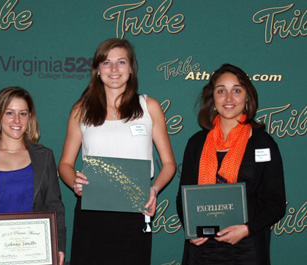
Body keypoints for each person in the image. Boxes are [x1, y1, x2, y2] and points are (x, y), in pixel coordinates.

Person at [58, 38, 176, 264]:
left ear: (131, 69)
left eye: (121, 62)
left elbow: (169, 164)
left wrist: (154, 190)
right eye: (106, 63)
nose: (114, 69)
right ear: (97, 70)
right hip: (91, 210)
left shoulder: (149, 106)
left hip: (135, 209)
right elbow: (64, 164)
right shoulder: (81, 109)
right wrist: (74, 182)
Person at [176, 63, 286, 265]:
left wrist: (246, 229)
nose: (228, 98)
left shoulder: (263, 143)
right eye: (221, 91)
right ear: (213, 99)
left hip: (247, 247)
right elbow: (183, 197)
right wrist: (190, 229)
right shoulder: (196, 143)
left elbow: (276, 203)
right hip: (202, 249)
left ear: (247, 98)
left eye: (236, 90)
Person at [0, 87, 66, 265]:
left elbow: (54, 205)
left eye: (23, 113)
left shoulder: (44, 156)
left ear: (30, 118)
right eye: (9, 112)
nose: (17, 120)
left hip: (36, 252)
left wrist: (59, 245)